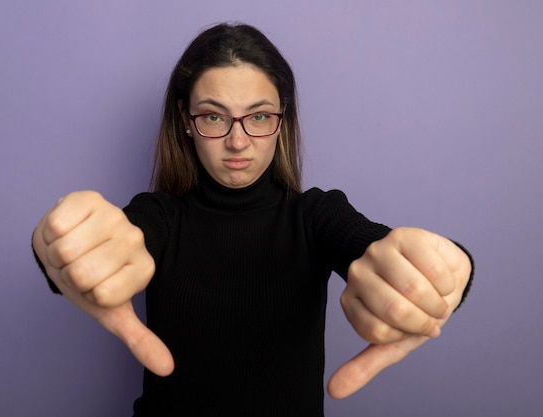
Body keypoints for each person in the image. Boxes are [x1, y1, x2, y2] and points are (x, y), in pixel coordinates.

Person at [32, 23, 474, 416]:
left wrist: (451, 267)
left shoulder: (316, 215)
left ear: (282, 121)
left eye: (259, 116)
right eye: (213, 116)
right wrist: (55, 245)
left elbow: (378, 248)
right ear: (186, 122)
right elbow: (106, 244)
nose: (237, 141)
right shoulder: (158, 215)